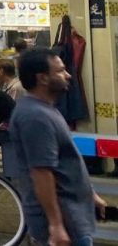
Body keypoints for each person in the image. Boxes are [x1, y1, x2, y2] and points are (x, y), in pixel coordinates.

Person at [9, 48, 107, 245]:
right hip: (64, 222)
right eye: (61, 71)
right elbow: (41, 173)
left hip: (73, 216)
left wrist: (91, 194)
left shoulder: (46, 110)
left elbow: (64, 160)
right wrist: (56, 225)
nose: (68, 75)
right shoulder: (35, 117)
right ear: (43, 78)